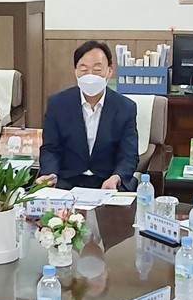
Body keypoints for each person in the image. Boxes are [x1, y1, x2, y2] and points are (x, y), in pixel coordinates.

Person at [38, 40, 139, 190]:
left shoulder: (125, 107)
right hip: (67, 181)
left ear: (109, 72)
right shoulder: (57, 103)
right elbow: (50, 149)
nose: (90, 76)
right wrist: (50, 174)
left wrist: (117, 177)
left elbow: (129, 154)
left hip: (107, 181)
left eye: (97, 70)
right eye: (84, 70)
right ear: (76, 72)